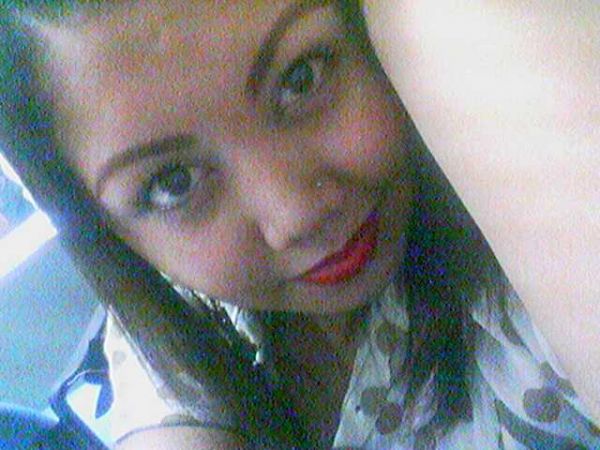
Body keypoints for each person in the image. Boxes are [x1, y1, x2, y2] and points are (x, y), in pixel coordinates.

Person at [0, 0, 597, 448]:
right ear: (111, 236)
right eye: (173, 182)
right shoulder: (173, 315)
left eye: (302, 77)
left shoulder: (520, 294)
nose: (298, 215)